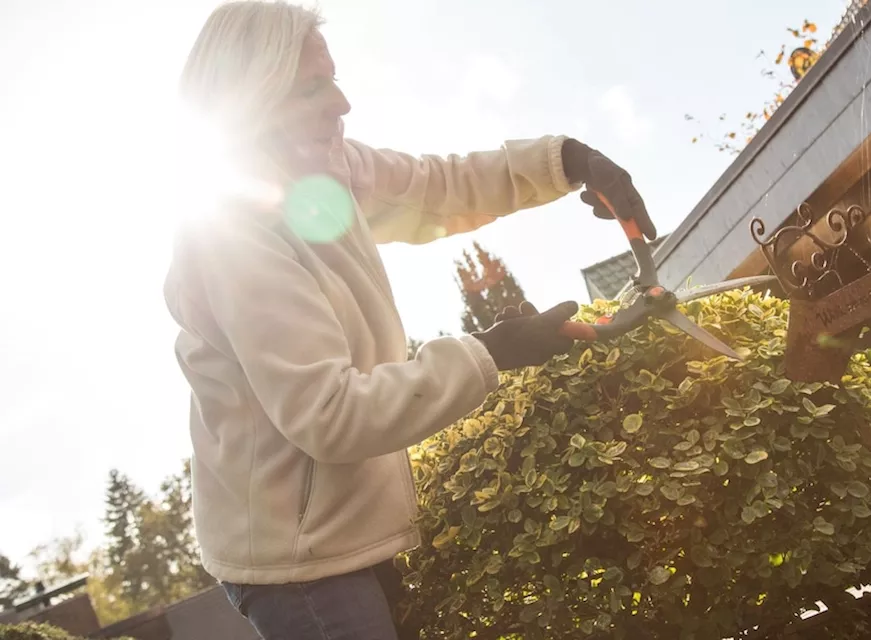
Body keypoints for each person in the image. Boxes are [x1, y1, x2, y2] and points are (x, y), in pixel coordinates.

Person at [163, 2, 655, 638]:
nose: (341, 103)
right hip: (298, 556)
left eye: (335, 79)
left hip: (348, 527)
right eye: (312, 86)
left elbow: (436, 187)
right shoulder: (232, 234)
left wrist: (569, 160)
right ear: (250, 101)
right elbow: (331, 414)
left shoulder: (326, 169)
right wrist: (490, 352)